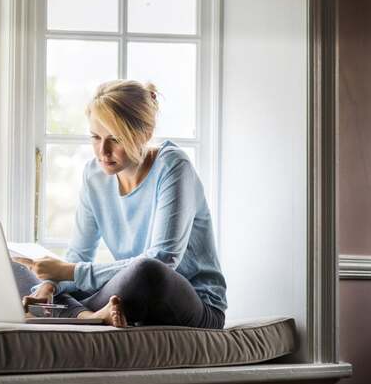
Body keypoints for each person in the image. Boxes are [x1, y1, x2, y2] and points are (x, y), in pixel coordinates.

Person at [13, 80, 227, 329]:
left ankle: (70, 311)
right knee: (17, 270)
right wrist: (49, 286)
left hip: (191, 302)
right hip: (124, 296)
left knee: (147, 270)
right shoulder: (94, 175)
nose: (103, 151)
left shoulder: (173, 166)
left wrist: (67, 273)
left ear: (145, 134)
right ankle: (89, 316)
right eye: (95, 137)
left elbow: (163, 259)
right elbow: (80, 255)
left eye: (115, 139)